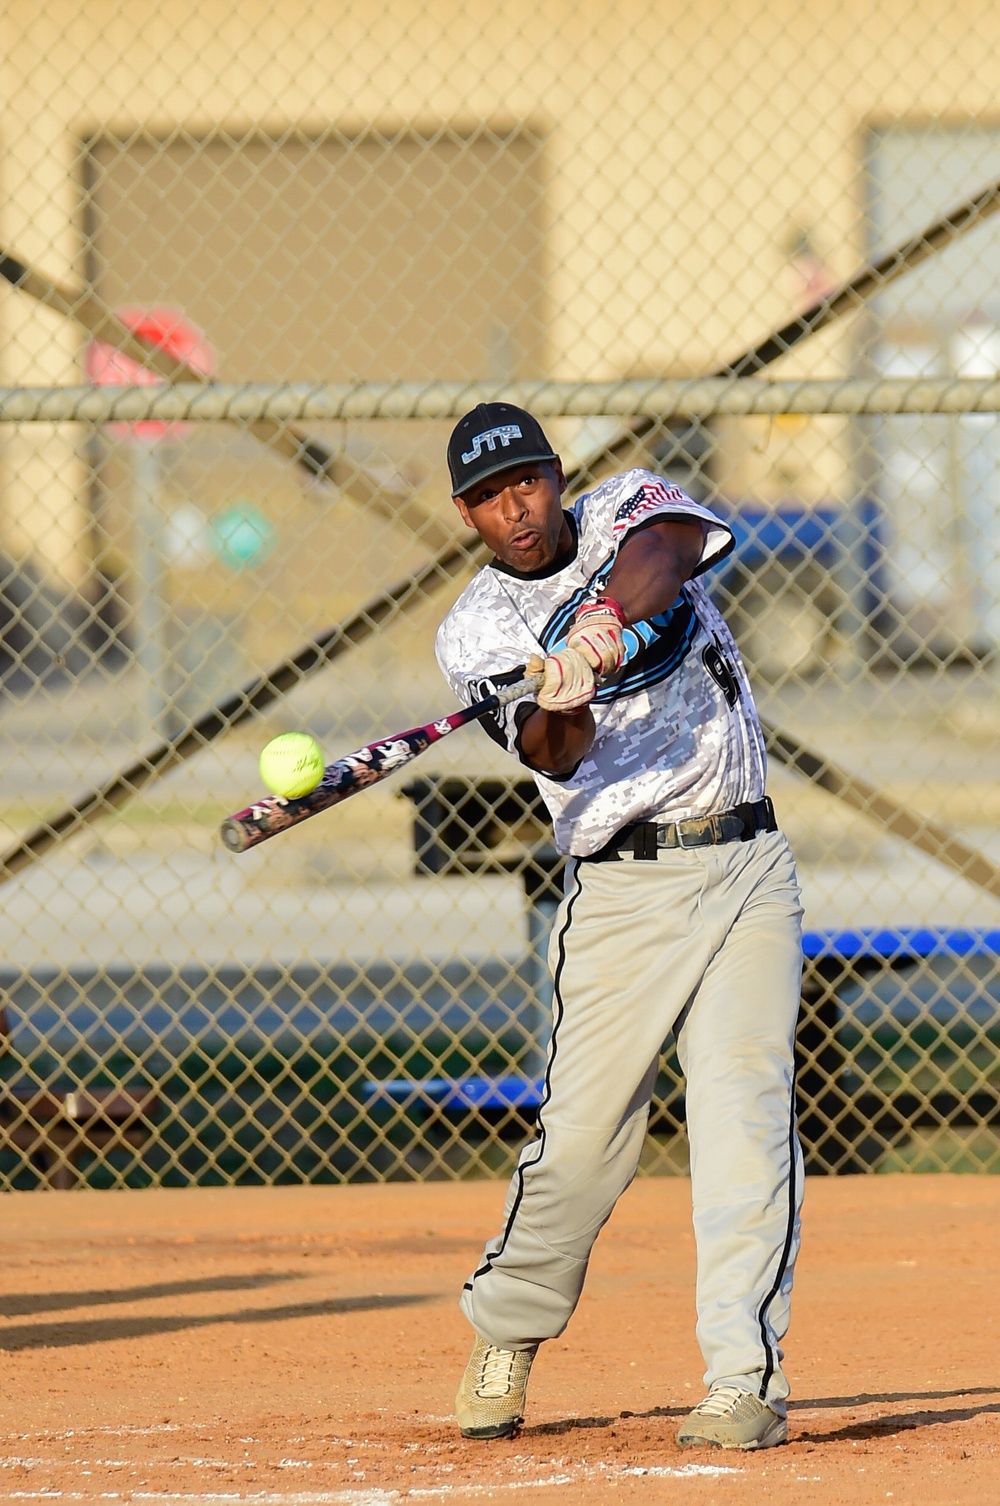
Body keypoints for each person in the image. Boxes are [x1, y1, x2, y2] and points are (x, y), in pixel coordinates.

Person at [434, 403, 804, 1452]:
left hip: (744, 864)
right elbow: (551, 755)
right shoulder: (475, 634)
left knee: (744, 1114)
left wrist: (599, 622)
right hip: (622, 889)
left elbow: (668, 549)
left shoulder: (622, 511)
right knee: (585, 1146)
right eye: (490, 495)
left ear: (558, 477)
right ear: (465, 512)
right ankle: (507, 1331)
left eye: (530, 481)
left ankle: (741, 1378)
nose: (518, 507)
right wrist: (566, 691)